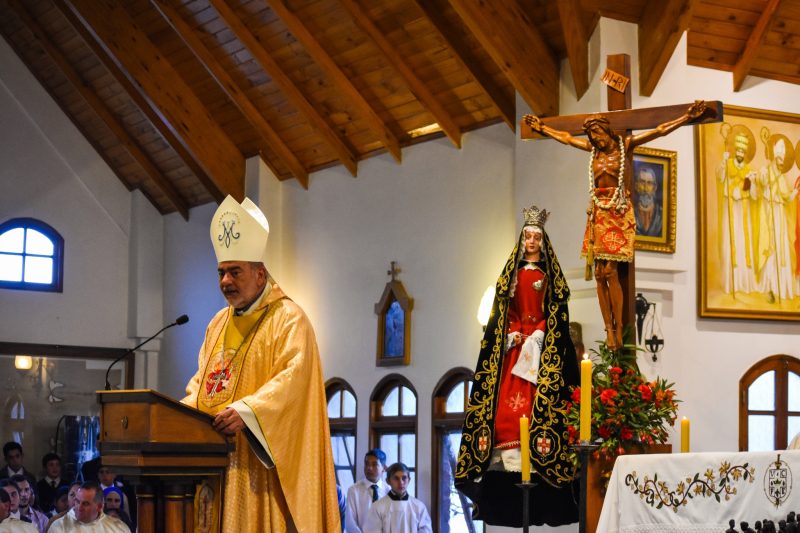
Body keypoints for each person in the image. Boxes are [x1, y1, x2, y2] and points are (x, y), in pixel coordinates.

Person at [182, 195, 340, 532]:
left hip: (259, 472)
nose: (226, 281)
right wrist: (180, 413)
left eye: (235, 272)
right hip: (215, 467)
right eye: (221, 272)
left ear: (259, 273)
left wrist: (248, 412)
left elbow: (294, 383)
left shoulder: (289, 319)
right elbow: (201, 383)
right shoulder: (217, 324)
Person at [524, 101, 707, 350]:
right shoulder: (593, 151)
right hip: (599, 211)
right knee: (599, 275)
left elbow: (660, 129)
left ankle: (619, 328)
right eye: (591, 136)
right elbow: (567, 138)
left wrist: (686, 117)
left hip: (619, 210)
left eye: (597, 134)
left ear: (607, 130)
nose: (595, 139)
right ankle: (608, 328)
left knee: (610, 272)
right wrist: (544, 128)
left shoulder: (625, 146)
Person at [455, 205, 580, 527]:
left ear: (543, 240)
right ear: (522, 239)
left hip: (539, 345)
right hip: (515, 348)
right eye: (528, 236)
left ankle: (538, 451)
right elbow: (505, 310)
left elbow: (554, 311)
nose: (532, 241)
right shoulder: (510, 277)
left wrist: (540, 332)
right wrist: (509, 331)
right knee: (506, 406)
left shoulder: (547, 276)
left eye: (537, 236)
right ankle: (505, 446)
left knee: (537, 398)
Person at [754, 134, 799, 303]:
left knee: (781, 249)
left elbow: (786, 197)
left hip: (778, 214)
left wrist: (794, 192)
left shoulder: (781, 177)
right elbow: (763, 182)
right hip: (768, 212)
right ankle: (770, 286)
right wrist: (769, 171)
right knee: (769, 247)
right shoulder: (765, 171)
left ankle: (781, 287)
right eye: (779, 151)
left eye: (782, 160)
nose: (780, 162)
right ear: (773, 154)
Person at [716, 128, 757, 295]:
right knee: (730, 240)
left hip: (743, 209)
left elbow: (753, 195)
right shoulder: (728, 163)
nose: (740, 152)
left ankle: (744, 282)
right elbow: (720, 177)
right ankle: (730, 282)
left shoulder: (749, 170)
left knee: (742, 242)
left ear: (745, 152)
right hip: (730, 207)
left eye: (742, 150)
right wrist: (723, 163)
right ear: (735, 150)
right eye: (738, 149)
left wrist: (752, 182)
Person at [363, 463, 431, 533]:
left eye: (404, 478)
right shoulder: (377, 507)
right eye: (396, 478)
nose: (401, 482)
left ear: (409, 480)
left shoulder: (419, 507)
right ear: (388, 481)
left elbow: (426, 530)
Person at [48, 482, 129, 533]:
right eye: (77, 501)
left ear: (99, 506)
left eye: (85, 504)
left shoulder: (118, 528)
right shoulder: (59, 526)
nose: (79, 507)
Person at [346, 449, 389, 533]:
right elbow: (350, 524)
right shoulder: (354, 491)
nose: (369, 468)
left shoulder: (389, 491)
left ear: (384, 468)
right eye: (367, 464)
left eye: (374, 464)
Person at [634, 166, 663, 237]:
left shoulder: (661, 214)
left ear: (654, 188)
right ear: (636, 186)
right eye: (642, 182)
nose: (645, 187)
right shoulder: (630, 212)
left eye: (649, 183)